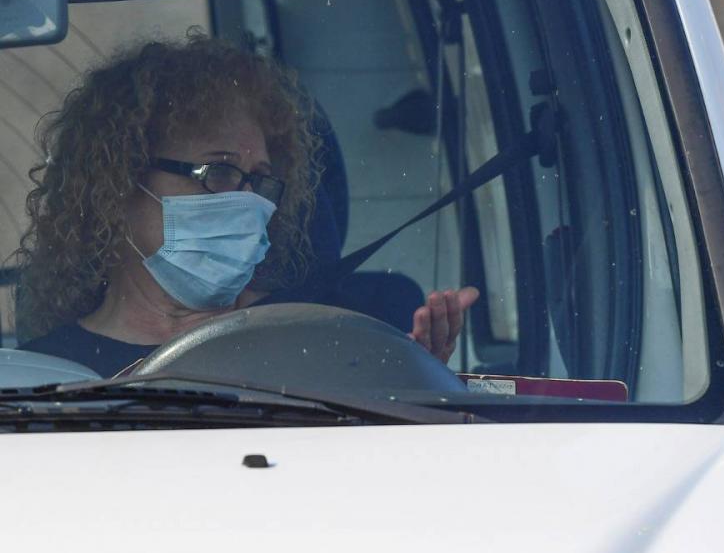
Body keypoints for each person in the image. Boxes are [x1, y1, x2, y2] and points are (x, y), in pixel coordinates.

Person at [15, 34, 479, 378]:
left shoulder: (315, 340)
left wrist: (416, 382)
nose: (248, 202)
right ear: (119, 182)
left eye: (260, 180)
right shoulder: (44, 375)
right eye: (218, 172)